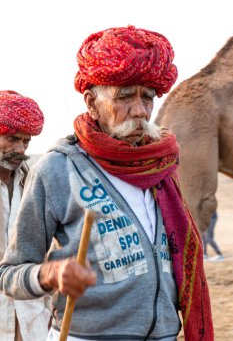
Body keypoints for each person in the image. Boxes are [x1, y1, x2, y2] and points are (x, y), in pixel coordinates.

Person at [0, 26, 214, 341]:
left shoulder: (161, 165)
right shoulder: (57, 168)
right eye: (125, 97)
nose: (140, 111)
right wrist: (49, 274)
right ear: (91, 103)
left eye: (148, 97)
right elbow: (9, 275)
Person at [0, 90, 51, 340]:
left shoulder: (32, 182)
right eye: (12, 139)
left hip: (30, 315)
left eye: (26, 141)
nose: (20, 149)